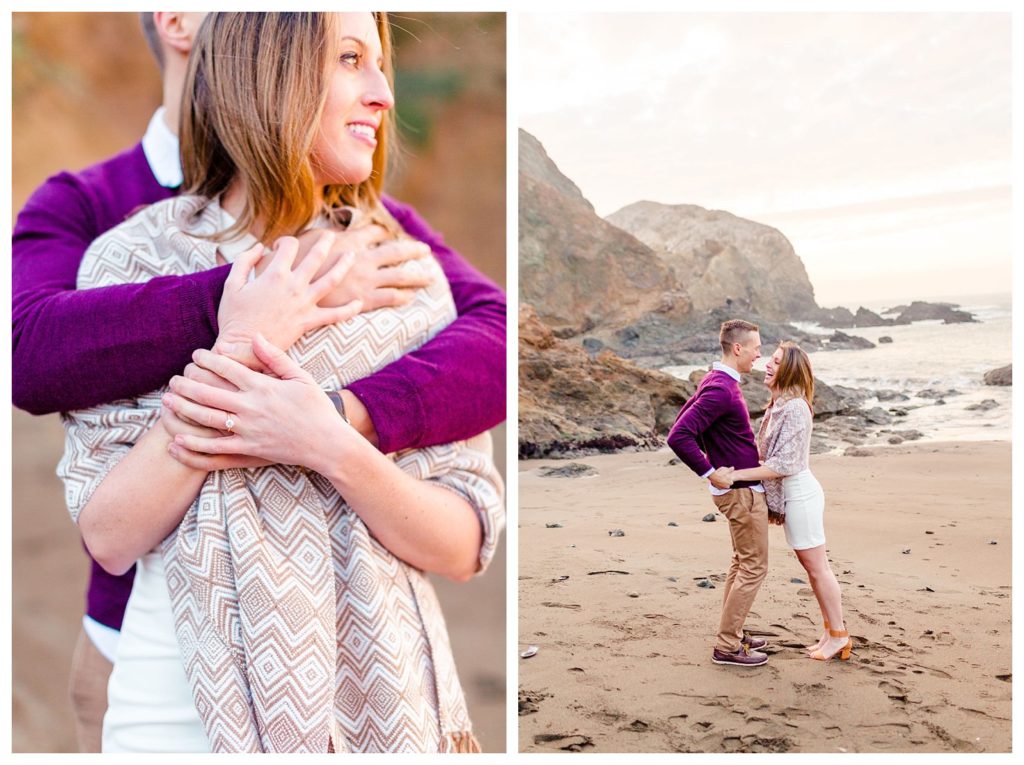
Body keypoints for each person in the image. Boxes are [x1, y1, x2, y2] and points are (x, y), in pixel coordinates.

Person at [11, 11, 505, 752]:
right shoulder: (119, 245)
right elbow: (104, 523)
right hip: (167, 693)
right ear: (261, 69)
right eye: (348, 59)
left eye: (381, 64)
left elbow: (466, 535)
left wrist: (331, 432)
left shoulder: (397, 264)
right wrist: (241, 328)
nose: (383, 93)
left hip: (385, 700)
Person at [719, 342, 852, 662]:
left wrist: (736, 475)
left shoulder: (793, 408)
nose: (767, 364)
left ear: (790, 369)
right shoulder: (778, 404)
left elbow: (784, 465)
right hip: (792, 496)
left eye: (776, 362)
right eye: (770, 359)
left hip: (800, 495)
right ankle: (830, 633)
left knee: (818, 569)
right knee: (813, 569)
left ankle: (839, 635)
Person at [667, 319, 771, 667]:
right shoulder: (721, 388)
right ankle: (727, 646)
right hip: (740, 492)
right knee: (754, 567)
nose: (760, 353)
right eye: (756, 347)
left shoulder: (715, 382)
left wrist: (715, 459)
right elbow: (678, 435)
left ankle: (734, 633)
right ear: (737, 348)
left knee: (741, 563)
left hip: (738, 488)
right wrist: (712, 471)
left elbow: (684, 423)